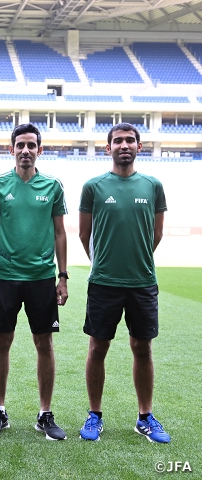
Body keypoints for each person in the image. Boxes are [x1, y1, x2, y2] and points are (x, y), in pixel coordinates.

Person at [78, 123, 170, 443]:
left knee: (142, 347)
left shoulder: (153, 186)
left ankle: (144, 416)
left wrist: (136, 259)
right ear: (108, 148)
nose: (124, 145)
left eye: (130, 140)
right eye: (117, 141)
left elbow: (155, 234)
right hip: (103, 281)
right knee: (97, 347)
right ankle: (94, 415)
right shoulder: (93, 187)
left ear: (139, 147)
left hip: (143, 281)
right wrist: (104, 262)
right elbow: (83, 234)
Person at [0, 123, 68, 441]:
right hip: (5, 278)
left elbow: (60, 233)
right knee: (1, 343)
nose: (26, 150)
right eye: (20, 145)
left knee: (44, 344)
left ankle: (45, 414)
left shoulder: (53, 186)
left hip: (42, 279)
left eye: (32, 145)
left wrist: (63, 277)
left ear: (39, 150)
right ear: (12, 149)